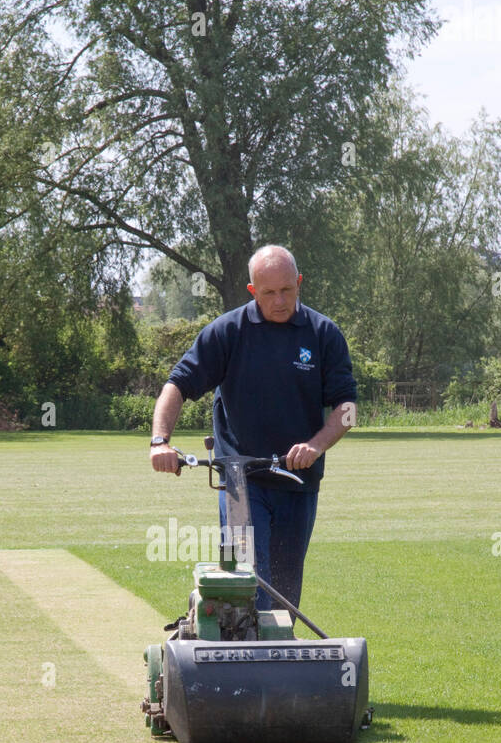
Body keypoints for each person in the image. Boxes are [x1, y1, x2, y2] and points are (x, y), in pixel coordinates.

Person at [149, 244, 356, 610]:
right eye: (269, 292)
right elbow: (177, 385)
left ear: (300, 283)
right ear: (252, 291)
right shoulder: (228, 332)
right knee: (251, 583)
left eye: (287, 290)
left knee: (285, 598)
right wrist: (160, 441)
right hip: (240, 482)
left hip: (299, 481)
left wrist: (317, 445)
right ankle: (244, 659)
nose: (279, 300)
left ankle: (275, 660)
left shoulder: (324, 334)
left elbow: (348, 408)